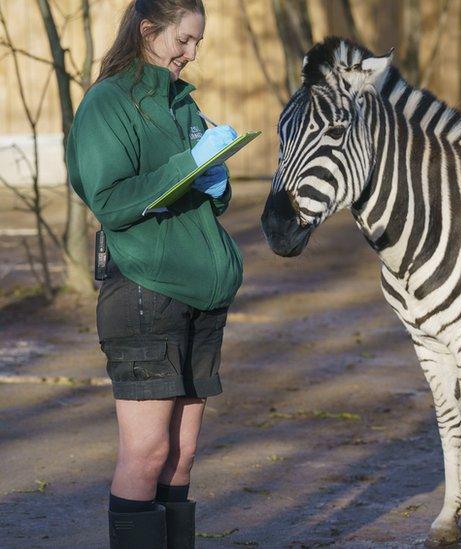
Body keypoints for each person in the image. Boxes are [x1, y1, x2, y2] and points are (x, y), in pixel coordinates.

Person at [65, 1, 242, 547]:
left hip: (202, 295)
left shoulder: (182, 104)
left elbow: (208, 197)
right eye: (184, 41)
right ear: (148, 30)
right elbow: (112, 200)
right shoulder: (108, 103)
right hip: (146, 293)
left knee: (182, 456)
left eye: (197, 44)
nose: (190, 55)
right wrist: (188, 167)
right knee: (147, 454)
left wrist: (216, 180)